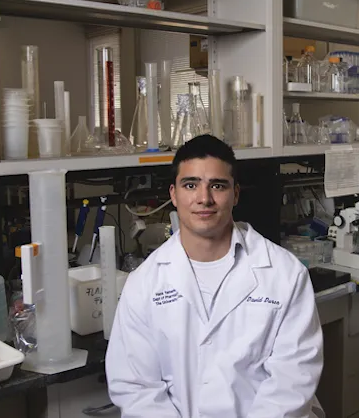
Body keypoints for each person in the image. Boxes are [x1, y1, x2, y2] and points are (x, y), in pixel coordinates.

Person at [106, 134, 324, 417]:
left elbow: (292, 380)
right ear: (174, 194)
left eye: (217, 186)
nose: (204, 198)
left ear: (235, 194)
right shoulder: (144, 284)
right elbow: (136, 387)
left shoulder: (285, 274)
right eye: (191, 185)